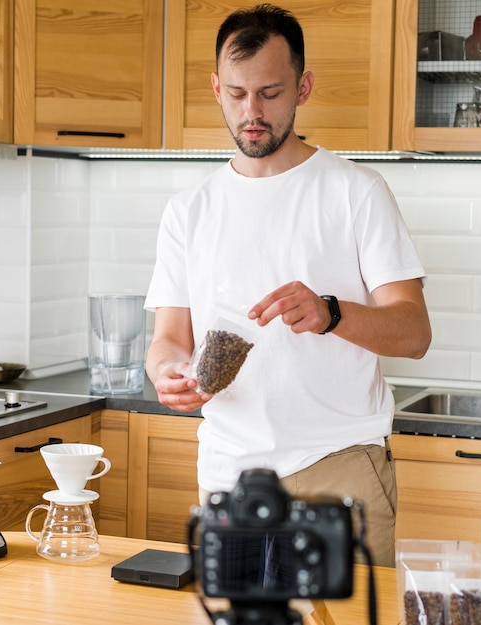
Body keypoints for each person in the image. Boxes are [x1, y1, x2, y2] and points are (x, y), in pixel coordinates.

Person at [145, 3, 431, 567]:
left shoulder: (356, 192)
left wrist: (332, 312)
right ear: (216, 88)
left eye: (270, 93)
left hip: (337, 465)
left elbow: (414, 332)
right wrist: (167, 374)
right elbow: (169, 339)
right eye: (236, 93)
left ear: (303, 88)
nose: (251, 111)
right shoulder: (189, 210)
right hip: (229, 474)